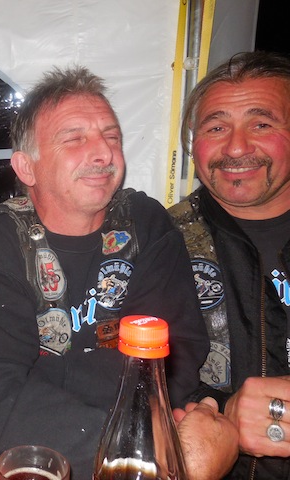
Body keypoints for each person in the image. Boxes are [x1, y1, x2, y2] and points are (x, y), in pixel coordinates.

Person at [0, 65, 215, 479]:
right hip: (38, 466)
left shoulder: (144, 223)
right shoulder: (5, 234)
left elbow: (171, 365)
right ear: (26, 167)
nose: (104, 154)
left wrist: (35, 392)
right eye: (75, 139)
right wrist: (132, 436)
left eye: (112, 137)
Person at [169, 50, 290, 478]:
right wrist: (223, 410)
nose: (236, 147)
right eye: (216, 127)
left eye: (262, 124)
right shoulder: (154, 244)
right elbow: (130, 383)